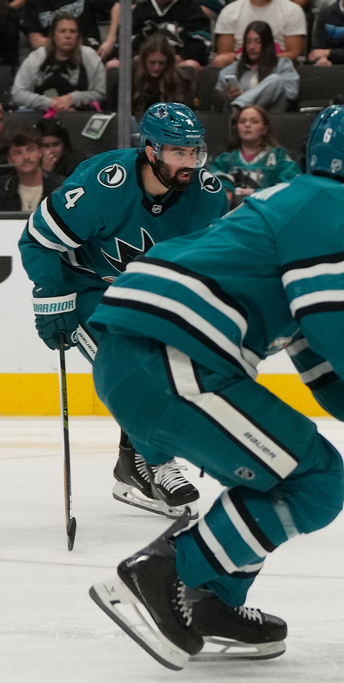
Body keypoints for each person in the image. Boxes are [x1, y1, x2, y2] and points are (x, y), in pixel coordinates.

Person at [87, 107, 344, 668]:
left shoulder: (291, 205)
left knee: (291, 473)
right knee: (313, 479)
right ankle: (166, 570)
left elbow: (331, 376)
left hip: (147, 353)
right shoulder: (338, 203)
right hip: (171, 354)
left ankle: (211, 599)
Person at [18, 102, 229, 520]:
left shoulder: (207, 197)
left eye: (194, 153)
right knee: (135, 368)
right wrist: (51, 300)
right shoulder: (104, 184)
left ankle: (130, 466)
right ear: (150, 150)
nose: (190, 164)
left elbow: (206, 265)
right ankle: (156, 462)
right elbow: (38, 239)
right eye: (178, 153)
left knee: (175, 366)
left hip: (144, 293)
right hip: (87, 288)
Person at [208, 105, 302, 207]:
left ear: (264, 129)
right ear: (237, 128)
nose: (247, 125)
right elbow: (212, 181)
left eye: (254, 121)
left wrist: (257, 192)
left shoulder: (279, 157)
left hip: (268, 210)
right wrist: (227, 190)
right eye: (242, 121)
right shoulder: (224, 160)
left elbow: (290, 184)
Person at [12, 13, 107, 112]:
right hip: (40, 114)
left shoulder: (90, 56)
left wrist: (73, 98)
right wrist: (50, 103)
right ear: (53, 35)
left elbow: (100, 93)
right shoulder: (36, 58)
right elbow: (18, 94)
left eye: (73, 31)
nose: (68, 36)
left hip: (80, 114)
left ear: (78, 36)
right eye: (62, 31)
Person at [216, 20, 300, 112]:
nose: (252, 47)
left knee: (276, 80)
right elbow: (217, 102)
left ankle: (240, 107)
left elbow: (291, 94)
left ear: (267, 44)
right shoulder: (232, 70)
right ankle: (241, 109)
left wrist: (267, 92)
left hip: (272, 116)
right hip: (240, 122)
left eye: (258, 42)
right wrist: (226, 97)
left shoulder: (282, 64)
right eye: (248, 42)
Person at [212, 0, 307, 67]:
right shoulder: (230, 11)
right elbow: (224, 52)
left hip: (276, 61)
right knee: (220, 60)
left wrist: (262, 60)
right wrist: (248, 60)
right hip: (240, 60)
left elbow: (294, 52)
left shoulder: (292, 10)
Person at [128, 0, 213, 71]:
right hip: (145, 62)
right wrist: (142, 57)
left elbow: (201, 42)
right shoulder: (140, 9)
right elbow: (127, 41)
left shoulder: (191, 8)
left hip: (179, 62)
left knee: (191, 66)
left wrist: (181, 57)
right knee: (118, 64)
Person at [21, 0, 119, 58]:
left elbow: (116, 6)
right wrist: (66, 46)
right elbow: (36, 40)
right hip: (56, 56)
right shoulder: (33, 3)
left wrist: (110, 40)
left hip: (90, 51)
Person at [0, 127, 65, 212]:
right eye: (18, 153)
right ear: (9, 159)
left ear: (40, 152)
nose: (26, 157)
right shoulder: (2, 188)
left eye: (31, 150)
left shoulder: (60, 186)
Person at [127, 34, 193, 116]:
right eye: (152, 62)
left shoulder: (181, 81)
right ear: (143, 61)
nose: (157, 67)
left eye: (161, 63)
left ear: (168, 62)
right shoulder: (130, 77)